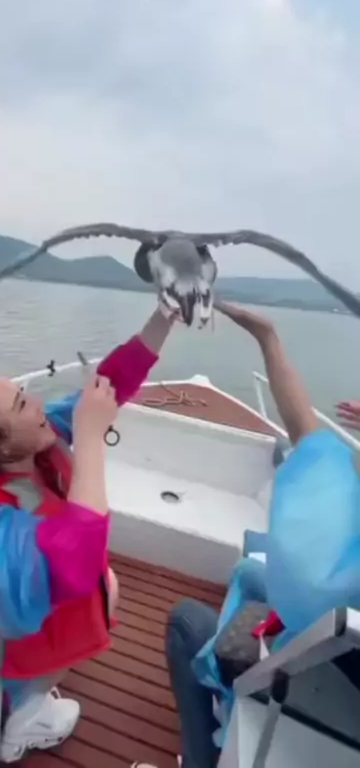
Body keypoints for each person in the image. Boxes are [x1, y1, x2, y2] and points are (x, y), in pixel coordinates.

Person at [0, 305, 177, 763]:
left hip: (39, 606)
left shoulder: (31, 442)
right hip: (18, 642)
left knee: (108, 584)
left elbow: (109, 384)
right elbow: (72, 567)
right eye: (20, 404)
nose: (36, 404)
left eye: (24, 392)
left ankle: (33, 692)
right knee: (101, 588)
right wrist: (89, 439)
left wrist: (165, 317)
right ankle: (21, 720)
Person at [166, 300, 321, 768]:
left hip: (301, 679)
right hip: (329, 666)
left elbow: (307, 439)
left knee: (187, 621)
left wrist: (267, 338)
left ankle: (203, 751)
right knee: (252, 557)